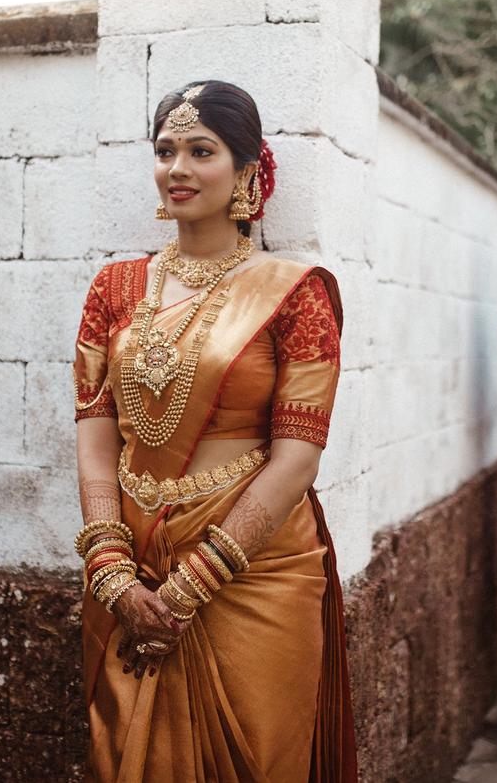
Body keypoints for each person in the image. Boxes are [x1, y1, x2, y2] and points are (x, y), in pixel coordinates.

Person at [71, 80, 357, 782]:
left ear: (247, 171)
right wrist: (113, 574)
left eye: (202, 150)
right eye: (166, 150)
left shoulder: (296, 293)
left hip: (254, 572)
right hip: (130, 564)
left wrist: (187, 587)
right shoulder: (115, 288)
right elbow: (95, 434)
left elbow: (298, 457)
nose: (178, 168)